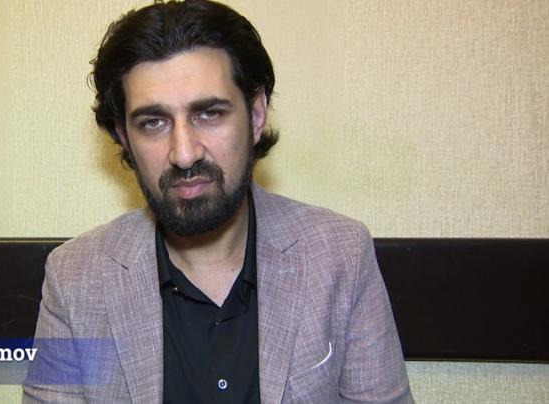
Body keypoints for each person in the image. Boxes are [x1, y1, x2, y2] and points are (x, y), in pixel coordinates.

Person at [24, 0, 413, 403]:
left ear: (256, 115)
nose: (184, 154)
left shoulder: (340, 255)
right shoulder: (74, 278)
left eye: (208, 113)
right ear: (124, 136)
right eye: (153, 122)